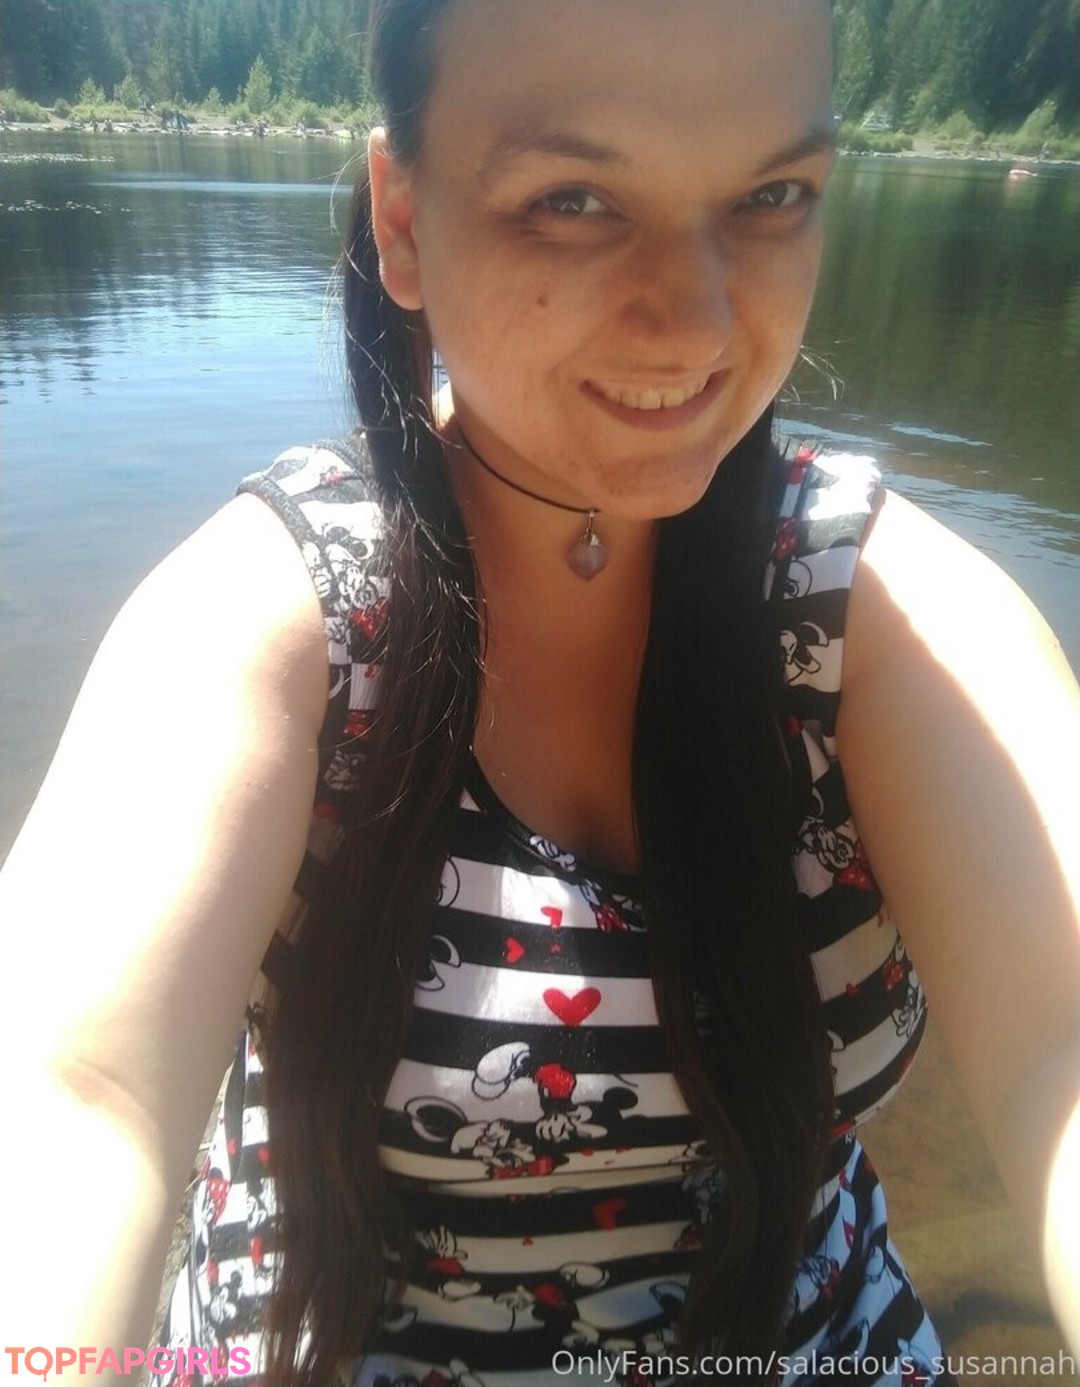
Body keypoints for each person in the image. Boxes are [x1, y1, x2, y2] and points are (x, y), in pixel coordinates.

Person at [2, 1, 1078, 1384]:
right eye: (573, 200)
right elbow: (73, 1099)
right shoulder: (282, 620)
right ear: (403, 221)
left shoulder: (874, 617)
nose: (694, 320)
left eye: (771, 195)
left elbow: (1060, 1040)